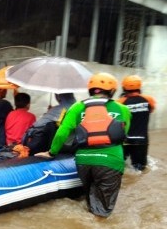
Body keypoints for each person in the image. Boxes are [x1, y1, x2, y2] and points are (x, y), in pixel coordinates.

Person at [35, 73, 131, 218]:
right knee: (103, 210)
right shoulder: (122, 109)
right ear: (112, 91)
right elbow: (124, 134)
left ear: (90, 90)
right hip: (110, 161)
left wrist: (52, 152)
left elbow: (62, 133)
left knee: (90, 197)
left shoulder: (77, 107)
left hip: (83, 162)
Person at [118, 75, 156, 171]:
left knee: (121, 166)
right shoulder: (149, 99)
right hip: (142, 141)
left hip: (125, 140)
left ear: (124, 88)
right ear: (139, 87)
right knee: (140, 169)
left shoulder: (120, 102)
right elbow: (151, 110)